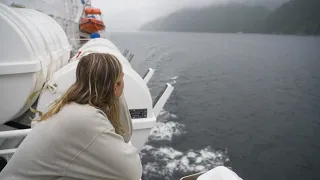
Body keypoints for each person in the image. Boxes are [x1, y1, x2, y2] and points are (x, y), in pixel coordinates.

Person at [0, 53, 142, 180]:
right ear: (115, 86)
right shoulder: (85, 119)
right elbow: (132, 172)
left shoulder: (70, 106)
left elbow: (124, 136)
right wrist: (118, 94)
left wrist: (115, 88)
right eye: (121, 80)